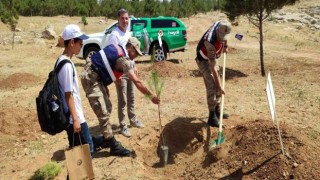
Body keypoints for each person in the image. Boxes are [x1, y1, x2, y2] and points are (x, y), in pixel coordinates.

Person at [80, 37, 160, 157]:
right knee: (103, 111)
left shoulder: (118, 48)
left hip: (96, 77)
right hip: (90, 79)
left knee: (108, 106)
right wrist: (151, 96)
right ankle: (113, 145)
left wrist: (105, 86)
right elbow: (137, 82)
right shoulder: (125, 61)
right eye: (136, 53)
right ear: (131, 48)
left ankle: (105, 138)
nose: (136, 56)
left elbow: (103, 64)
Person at [58, 24, 94, 155]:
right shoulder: (67, 65)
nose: (82, 45)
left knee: (79, 154)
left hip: (74, 116)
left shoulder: (61, 61)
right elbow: (68, 95)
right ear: (72, 42)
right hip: (74, 118)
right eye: (80, 42)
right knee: (87, 150)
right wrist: (76, 119)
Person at [106, 9, 143, 138]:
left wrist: (134, 65)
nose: (125, 20)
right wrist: (116, 76)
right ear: (118, 19)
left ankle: (133, 119)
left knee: (131, 97)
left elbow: (131, 52)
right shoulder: (114, 35)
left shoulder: (128, 33)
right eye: (122, 18)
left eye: (127, 18)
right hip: (120, 72)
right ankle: (123, 125)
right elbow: (112, 56)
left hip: (130, 69)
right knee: (122, 100)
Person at [195, 20, 231, 127]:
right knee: (212, 84)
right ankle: (211, 116)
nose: (222, 39)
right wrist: (219, 86)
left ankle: (217, 110)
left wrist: (225, 46)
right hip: (204, 60)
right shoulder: (210, 42)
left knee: (217, 80)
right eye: (221, 36)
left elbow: (225, 36)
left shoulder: (222, 24)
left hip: (213, 58)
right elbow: (212, 67)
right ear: (217, 31)